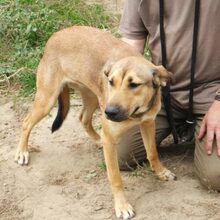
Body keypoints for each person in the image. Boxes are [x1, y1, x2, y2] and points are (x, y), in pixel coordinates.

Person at [117, 0, 220, 190]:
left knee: (215, 176)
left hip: (212, 94)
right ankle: (181, 126)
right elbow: (131, 47)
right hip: (161, 92)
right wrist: (117, 94)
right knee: (120, 155)